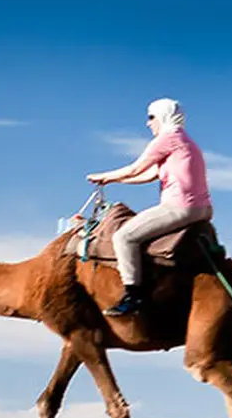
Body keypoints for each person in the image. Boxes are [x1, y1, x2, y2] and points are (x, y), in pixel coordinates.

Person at [86, 97, 213, 316]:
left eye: (151, 117)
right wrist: (112, 181)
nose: (148, 123)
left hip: (179, 207)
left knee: (124, 237)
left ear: (163, 116)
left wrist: (102, 175)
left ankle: (133, 295)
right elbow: (149, 174)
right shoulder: (186, 142)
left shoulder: (167, 139)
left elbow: (135, 168)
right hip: (203, 209)